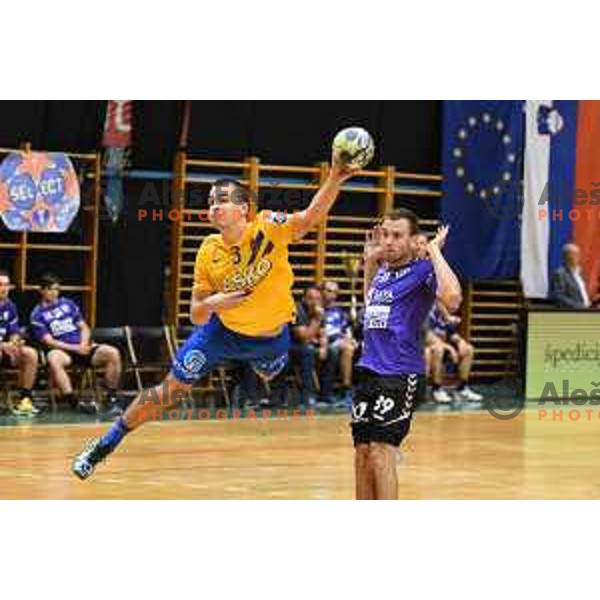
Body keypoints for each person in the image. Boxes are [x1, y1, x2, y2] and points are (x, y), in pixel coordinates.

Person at [72, 155, 358, 479]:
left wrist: (335, 176)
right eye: (210, 202)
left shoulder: (268, 226)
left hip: (270, 340)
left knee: (268, 373)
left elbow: (309, 219)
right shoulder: (208, 250)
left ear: (244, 210)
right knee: (169, 391)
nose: (213, 206)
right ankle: (104, 445)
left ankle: (264, 367)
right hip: (221, 333)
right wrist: (215, 303)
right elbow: (195, 314)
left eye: (222, 200)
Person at [353, 210, 462, 500]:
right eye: (385, 234)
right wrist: (369, 262)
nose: (388, 241)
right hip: (368, 370)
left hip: (399, 373)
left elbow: (452, 300)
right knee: (362, 453)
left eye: (397, 235)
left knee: (381, 452)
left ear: (414, 241)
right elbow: (370, 304)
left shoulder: (423, 271)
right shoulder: (384, 271)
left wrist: (434, 252)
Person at [30, 273, 123, 414]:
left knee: (112, 353)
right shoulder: (37, 314)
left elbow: (83, 327)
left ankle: (111, 398)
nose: (54, 293)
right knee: (53, 358)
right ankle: (73, 401)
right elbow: (49, 341)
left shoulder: (68, 304)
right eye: (50, 289)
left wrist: (84, 344)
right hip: (64, 350)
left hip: (82, 346)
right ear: (42, 290)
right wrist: (75, 348)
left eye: (57, 289)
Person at [425, 300, 482, 403]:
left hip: (444, 348)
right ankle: (437, 389)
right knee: (438, 350)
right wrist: (449, 348)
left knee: (468, 349)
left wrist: (460, 341)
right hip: (427, 348)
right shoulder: (426, 313)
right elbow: (427, 336)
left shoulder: (444, 316)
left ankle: (462, 388)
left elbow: (452, 334)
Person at [0, 269, 40, 416]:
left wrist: (15, 342)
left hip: (5, 348)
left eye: (6, 285)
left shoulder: (10, 306)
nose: (4, 288)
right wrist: (4, 346)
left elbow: (14, 331)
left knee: (31, 354)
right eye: (0, 285)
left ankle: (25, 400)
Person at [319, 280, 356, 407]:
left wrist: (350, 338)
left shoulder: (339, 311)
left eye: (335, 292)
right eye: (329, 291)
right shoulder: (317, 309)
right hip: (324, 342)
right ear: (321, 291)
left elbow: (346, 330)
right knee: (348, 349)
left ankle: (353, 389)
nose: (332, 295)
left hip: (339, 340)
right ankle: (346, 389)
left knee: (353, 346)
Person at [290, 286, 326, 408]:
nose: (314, 302)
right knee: (308, 351)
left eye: (317, 299)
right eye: (311, 298)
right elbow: (303, 337)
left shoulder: (318, 310)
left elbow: (323, 333)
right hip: (290, 348)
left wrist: (324, 347)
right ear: (304, 299)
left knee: (332, 352)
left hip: (307, 345)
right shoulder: (295, 310)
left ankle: (326, 396)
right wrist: (317, 319)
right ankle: (307, 396)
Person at [550, 243, 591, 309]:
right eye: (574, 254)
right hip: (572, 313)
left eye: (578, 254)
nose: (578, 257)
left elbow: (583, 294)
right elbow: (559, 297)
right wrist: (580, 307)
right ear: (566, 257)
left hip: (587, 311)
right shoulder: (560, 274)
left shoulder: (580, 274)